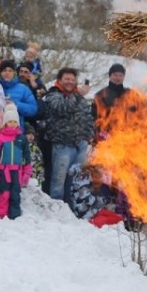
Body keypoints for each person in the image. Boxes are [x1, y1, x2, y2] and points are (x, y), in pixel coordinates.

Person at [40, 67, 93, 203]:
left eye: (72, 79)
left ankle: (73, 206)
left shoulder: (78, 97)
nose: (70, 82)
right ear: (60, 80)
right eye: (66, 79)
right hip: (62, 144)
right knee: (58, 180)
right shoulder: (53, 94)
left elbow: (87, 117)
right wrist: (78, 94)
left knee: (76, 180)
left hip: (80, 144)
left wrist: (89, 135)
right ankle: (57, 208)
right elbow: (62, 108)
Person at [0, 106, 32, 219]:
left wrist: (27, 172)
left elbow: (26, 156)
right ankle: (2, 214)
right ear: (5, 123)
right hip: (4, 170)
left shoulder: (22, 138)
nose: (12, 124)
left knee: (15, 193)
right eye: (10, 121)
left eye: (15, 122)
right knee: (4, 192)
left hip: (17, 171)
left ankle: (15, 214)